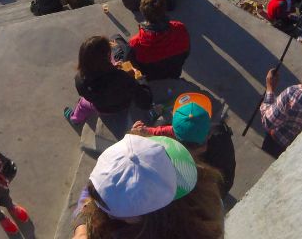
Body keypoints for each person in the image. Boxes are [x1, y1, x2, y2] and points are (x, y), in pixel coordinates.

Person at [71, 134, 224, 239]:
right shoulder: (202, 198)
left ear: (138, 217)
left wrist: (81, 227)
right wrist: (81, 229)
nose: (95, 205)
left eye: (108, 209)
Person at [131, 92, 236, 199]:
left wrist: (140, 133)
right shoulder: (221, 139)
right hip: (216, 192)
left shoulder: (170, 162)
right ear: (209, 134)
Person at [63, 36, 153, 126]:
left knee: (82, 104)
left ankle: (75, 119)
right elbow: (146, 102)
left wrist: (113, 68)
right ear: (107, 56)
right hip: (122, 105)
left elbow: (98, 84)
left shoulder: (80, 79)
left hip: (101, 108)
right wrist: (138, 78)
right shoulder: (122, 78)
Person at [128, 0, 190, 81]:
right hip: (174, 75)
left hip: (151, 79)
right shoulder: (181, 29)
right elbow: (186, 53)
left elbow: (135, 66)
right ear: (164, 9)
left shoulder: (135, 43)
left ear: (142, 11)